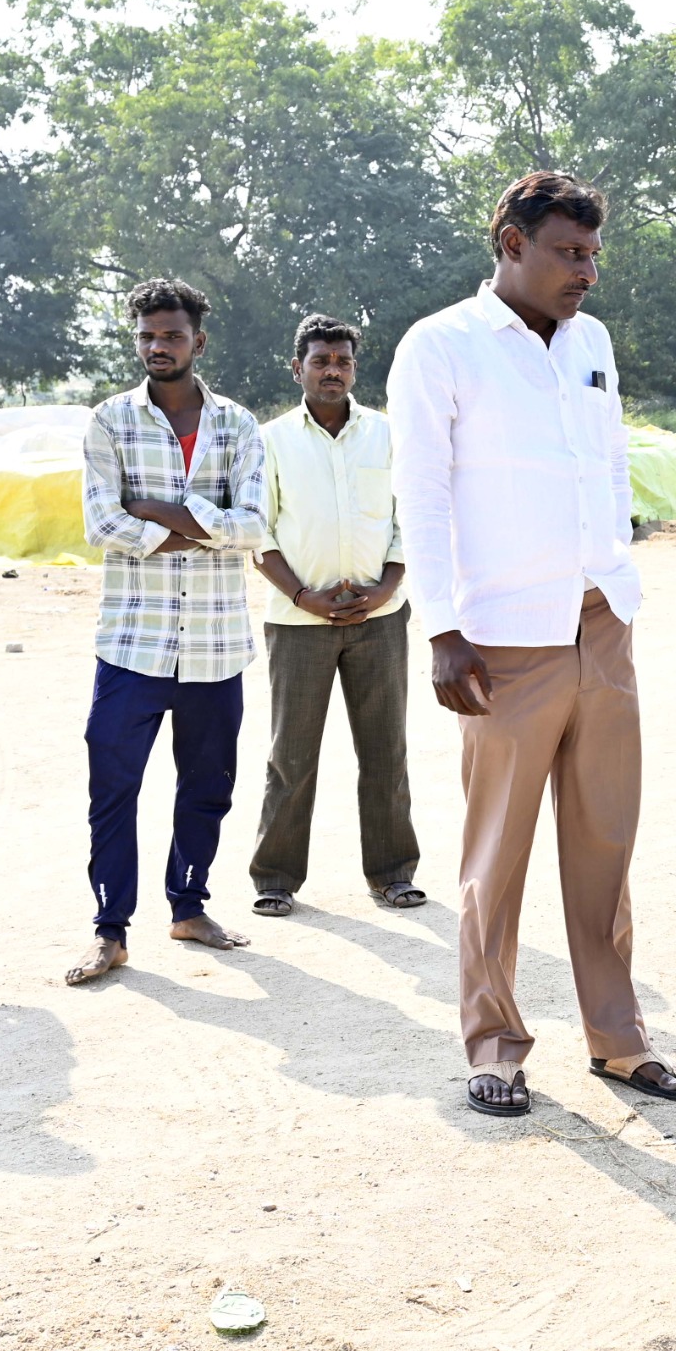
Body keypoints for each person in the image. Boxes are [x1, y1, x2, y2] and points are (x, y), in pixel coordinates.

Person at [389, 171, 676, 1118]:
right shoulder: (440, 345)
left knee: (605, 843)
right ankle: (494, 1046)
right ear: (511, 243)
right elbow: (422, 494)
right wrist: (441, 628)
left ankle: (620, 1041)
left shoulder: (591, 343)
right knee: (497, 855)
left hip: (601, 624)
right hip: (499, 639)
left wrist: (616, 568)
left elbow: (608, 461)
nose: (586, 272)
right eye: (569, 253)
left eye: (593, 254)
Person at [65, 278, 269, 986]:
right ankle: (110, 930)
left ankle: (189, 905)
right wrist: (204, 523)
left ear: (198, 342)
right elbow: (102, 524)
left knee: (208, 785)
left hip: (215, 643)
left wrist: (155, 510)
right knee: (113, 786)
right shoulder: (110, 421)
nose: (158, 346)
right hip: (132, 642)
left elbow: (254, 525)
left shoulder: (237, 426)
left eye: (172, 335)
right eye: (147, 335)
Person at [246, 314, 423, 917]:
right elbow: (259, 533)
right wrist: (305, 597)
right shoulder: (269, 440)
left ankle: (392, 874)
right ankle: (275, 879)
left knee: (385, 752)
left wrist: (386, 588)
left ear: (354, 368)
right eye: (320, 361)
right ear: (297, 368)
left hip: (381, 618)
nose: (332, 371)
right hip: (299, 621)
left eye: (343, 361)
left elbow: (408, 519)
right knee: (290, 756)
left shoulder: (388, 435)